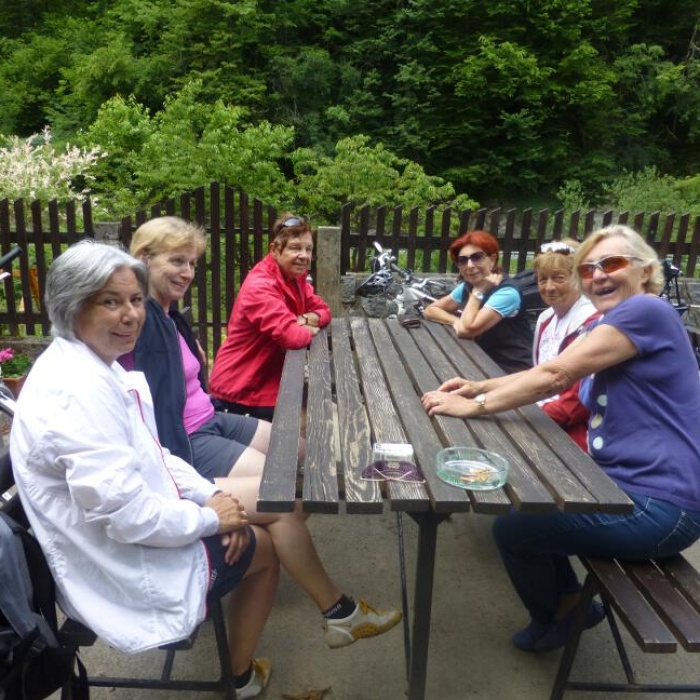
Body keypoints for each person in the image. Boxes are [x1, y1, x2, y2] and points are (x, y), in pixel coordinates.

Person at [10, 240, 279, 699]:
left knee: (257, 520)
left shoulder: (94, 365)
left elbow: (154, 453)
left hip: (134, 530)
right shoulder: (77, 393)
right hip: (117, 564)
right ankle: (238, 677)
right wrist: (211, 521)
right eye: (110, 302)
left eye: (135, 300)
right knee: (266, 548)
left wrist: (212, 499)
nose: (131, 315)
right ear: (72, 306)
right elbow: (127, 517)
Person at [125, 216, 401, 650]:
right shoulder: (142, 322)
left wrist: (311, 315)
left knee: (303, 453)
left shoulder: (166, 312)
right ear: (143, 259)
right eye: (176, 261)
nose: (187, 272)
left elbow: (321, 309)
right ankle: (339, 613)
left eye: (192, 263)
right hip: (191, 440)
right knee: (285, 499)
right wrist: (203, 501)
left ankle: (273, 541)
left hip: (211, 416)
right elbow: (152, 423)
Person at [421, 224, 700, 653]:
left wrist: (474, 407)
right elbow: (546, 372)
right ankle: (570, 601)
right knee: (535, 496)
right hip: (622, 487)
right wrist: (479, 387)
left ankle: (556, 616)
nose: (598, 275)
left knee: (514, 529)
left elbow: (556, 375)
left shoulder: (646, 311)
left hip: (661, 507)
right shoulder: (612, 323)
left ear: (645, 271)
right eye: (588, 268)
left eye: (612, 263)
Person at [437, 239, 598, 450]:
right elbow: (537, 373)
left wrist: (497, 409)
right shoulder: (546, 318)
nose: (549, 287)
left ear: (579, 278)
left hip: (573, 438)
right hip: (537, 409)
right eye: (542, 279)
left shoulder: (591, 324)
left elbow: (570, 408)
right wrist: (479, 387)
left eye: (559, 278)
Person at [209, 213, 331, 420]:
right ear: (274, 250)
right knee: (314, 419)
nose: (304, 256)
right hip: (242, 390)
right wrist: (307, 326)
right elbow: (293, 337)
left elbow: (325, 311)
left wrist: (302, 320)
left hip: (271, 381)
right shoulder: (261, 286)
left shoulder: (295, 278)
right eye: (295, 248)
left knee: (320, 408)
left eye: (308, 249)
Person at [423, 230, 533, 373]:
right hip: (481, 359)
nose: (469, 265)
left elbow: (466, 331)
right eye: (462, 260)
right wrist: (455, 321)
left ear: (492, 260)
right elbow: (430, 310)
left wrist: (478, 292)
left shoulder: (507, 292)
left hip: (511, 370)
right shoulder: (468, 285)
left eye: (477, 257)